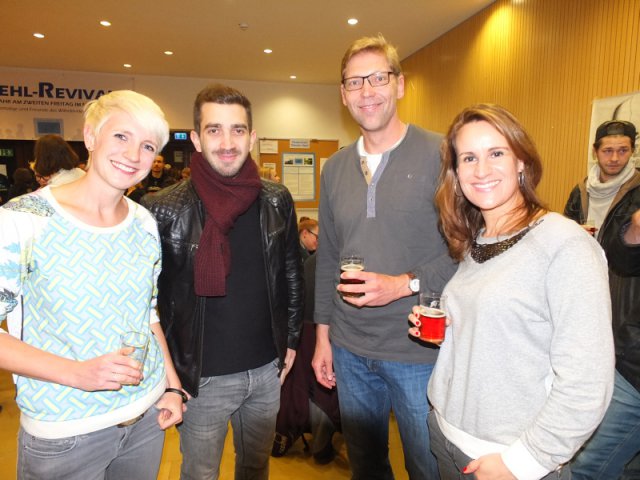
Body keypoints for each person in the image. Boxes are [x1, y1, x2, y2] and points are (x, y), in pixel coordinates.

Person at [407, 103, 614, 480]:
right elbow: (510, 331)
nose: (481, 170)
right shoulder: (477, 240)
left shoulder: (565, 245)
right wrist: (450, 331)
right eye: (469, 158)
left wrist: (524, 463)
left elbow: (588, 383)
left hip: (506, 459)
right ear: (456, 172)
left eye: (496, 153)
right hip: (446, 437)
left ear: (521, 160)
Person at [0, 90, 185, 480]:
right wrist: (75, 373)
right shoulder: (24, 219)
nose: (133, 154)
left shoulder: (143, 222)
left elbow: (148, 313)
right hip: (64, 431)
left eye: (147, 146)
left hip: (145, 417)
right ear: (90, 136)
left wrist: (171, 386)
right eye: (121, 136)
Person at [311, 34, 457, 480]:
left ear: (400, 84)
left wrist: (403, 284)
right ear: (343, 95)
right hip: (349, 349)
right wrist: (322, 338)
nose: (367, 91)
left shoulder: (442, 155)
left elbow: (466, 249)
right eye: (355, 82)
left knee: (427, 467)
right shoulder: (335, 168)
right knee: (367, 467)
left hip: (418, 349)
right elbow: (328, 257)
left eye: (378, 78)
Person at [142, 83, 304, 480]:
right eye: (214, 130)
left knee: (255, 468)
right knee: (200, 474)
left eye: (237, 130)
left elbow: (292, 275)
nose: (227, 143)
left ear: (252, 137)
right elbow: (147, 304)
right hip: (202, 378)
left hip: (266, 371)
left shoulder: (276, 199)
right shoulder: (163, 209)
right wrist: (171, 377)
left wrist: (291, 343)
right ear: (196, 139)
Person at [565, 120, 640, 479]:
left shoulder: (637, 190)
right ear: (595, 152)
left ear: (632, 152)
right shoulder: (581, 190)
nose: (614, 157)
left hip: (622, 297)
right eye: (607, 150)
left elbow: (626, 257)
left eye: (622, 150)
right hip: (584, 282)